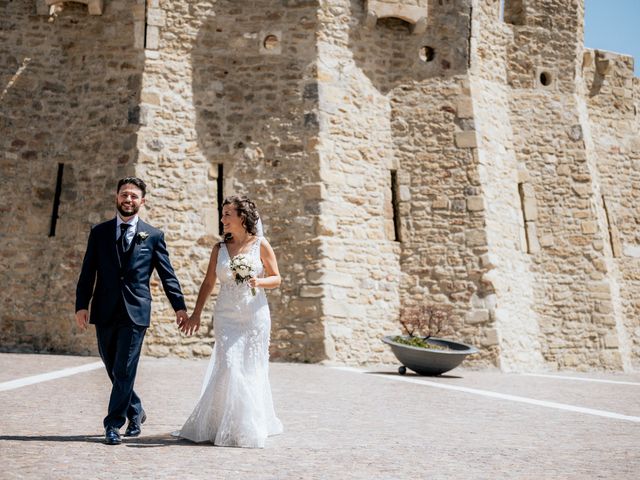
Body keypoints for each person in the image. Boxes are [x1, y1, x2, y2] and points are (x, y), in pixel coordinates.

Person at [75, 177, 189, 445]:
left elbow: (167, 275)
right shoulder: (99, 232)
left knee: (125, 368)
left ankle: (113, 425)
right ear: (117, 198)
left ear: (142, 201)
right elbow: (87, 271)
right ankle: (135, 410)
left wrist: (179, 307)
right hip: (104, 309)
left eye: (134, 196)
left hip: (135, 311)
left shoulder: (154, 235)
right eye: (124, 195)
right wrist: (81, 304)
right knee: (112, 366)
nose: (128, 199)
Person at [177, 195, 283, 448]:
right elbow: (208, 282)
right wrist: (196, 313)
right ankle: (221, 424)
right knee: (229, 364)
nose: (222, 219)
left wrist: (259, 281)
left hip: (254, 315)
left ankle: (245, 426)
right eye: (222, 214)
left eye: (227, 214)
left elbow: (276, 278)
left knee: (250, 367)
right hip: (226, 315)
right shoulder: (219, 249)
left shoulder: (261, 244)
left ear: (242, 217)